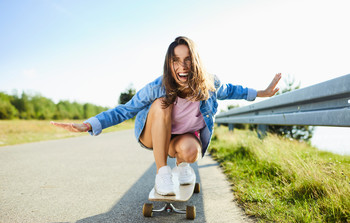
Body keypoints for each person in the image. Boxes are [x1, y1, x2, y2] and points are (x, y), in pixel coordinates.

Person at [51, 36, 281, 196]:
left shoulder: (209, 84)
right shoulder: (157, 86)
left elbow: (232, 90)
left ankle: (181, 167)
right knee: (162, 104)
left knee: (192, 151)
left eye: (187, 59)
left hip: (180, 140)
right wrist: (88, 125)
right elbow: (125, 109)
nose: (182, 66)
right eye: (176, 61)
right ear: (169, 64)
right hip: (152, 135)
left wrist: (262, 92)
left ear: (196, 61)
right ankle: (162, 173)